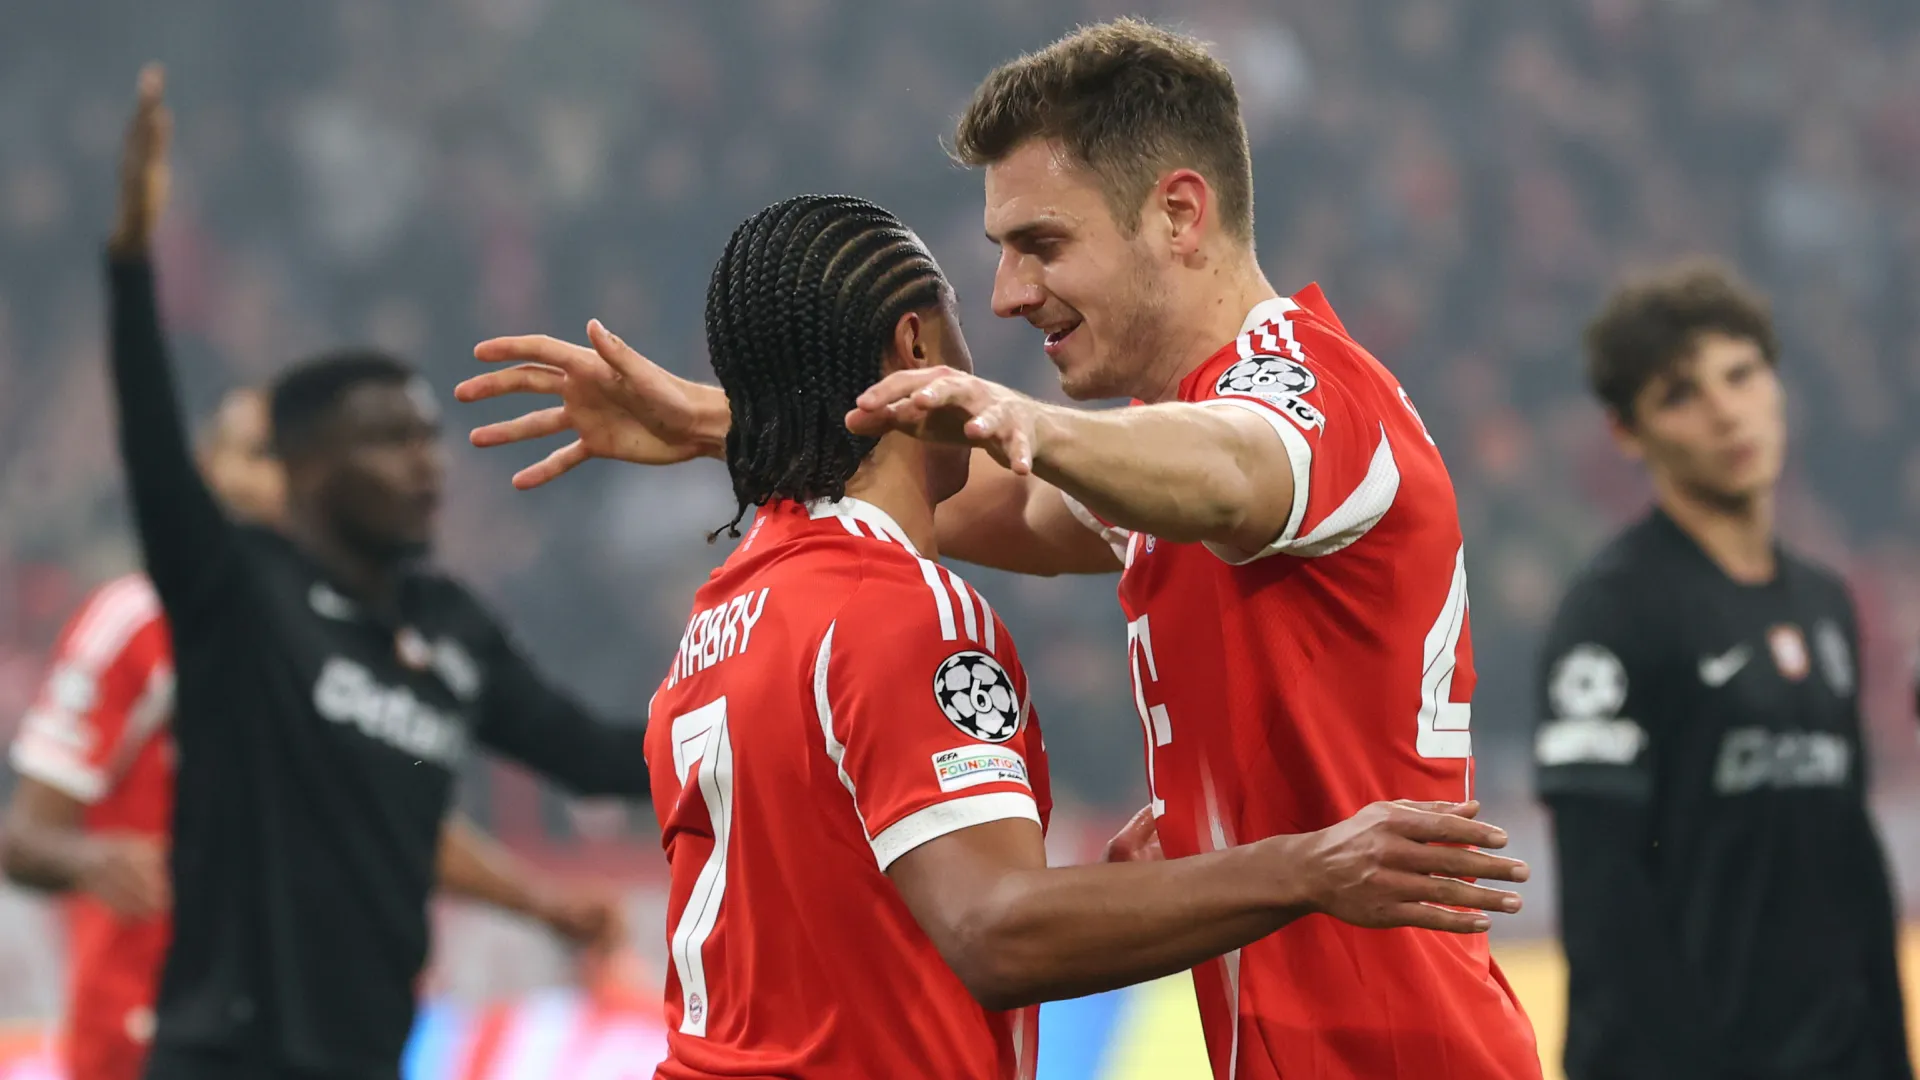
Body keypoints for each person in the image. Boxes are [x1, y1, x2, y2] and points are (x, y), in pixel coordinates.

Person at [460, 20, 1541, 1080]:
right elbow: (1001, 503)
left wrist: (1034, 422)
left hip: (1407, 1049)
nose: (1010, 296)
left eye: (1042, 244)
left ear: (1177, 213)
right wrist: (731, 421)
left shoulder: (1308, 395)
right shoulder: (1136, 468)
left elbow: (1235, 472)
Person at [638, 192, 1527, 1080]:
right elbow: (995, 930)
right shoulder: (901, 608)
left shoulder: (721, 615)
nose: (1004, 302)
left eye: (1040, 245)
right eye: (969, 290)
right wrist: (1307, 868)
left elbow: (835, 910)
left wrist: (719, 418)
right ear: (916, 346)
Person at [98, 67, 653, 1080]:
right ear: (307, 469)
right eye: (389, 441)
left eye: (430, 439)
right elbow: (151, 456)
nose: (427, 463)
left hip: (369, 1057)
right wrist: (130, 265)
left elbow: (595, 753)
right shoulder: (239, 592)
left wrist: (758, 713)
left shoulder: (451, 631)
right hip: (220, 1056)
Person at [0, 387, 626, 1080]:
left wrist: (540, 903)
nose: (276, 475)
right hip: (147, 1038)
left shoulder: (353, 640)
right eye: (257, 453)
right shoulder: (135, 623)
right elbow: (24, 837)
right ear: (204, 475)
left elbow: (387, 816)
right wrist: (93, 862)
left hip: (321, 1037)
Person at [1533, 261, 1910, 1080]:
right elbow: (1606, 918)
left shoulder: (1826, 604)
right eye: (1680, 394)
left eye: (1741, 374)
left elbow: (1852, 863)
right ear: (1627, 433)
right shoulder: (1610, 619)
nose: (1726, 412)